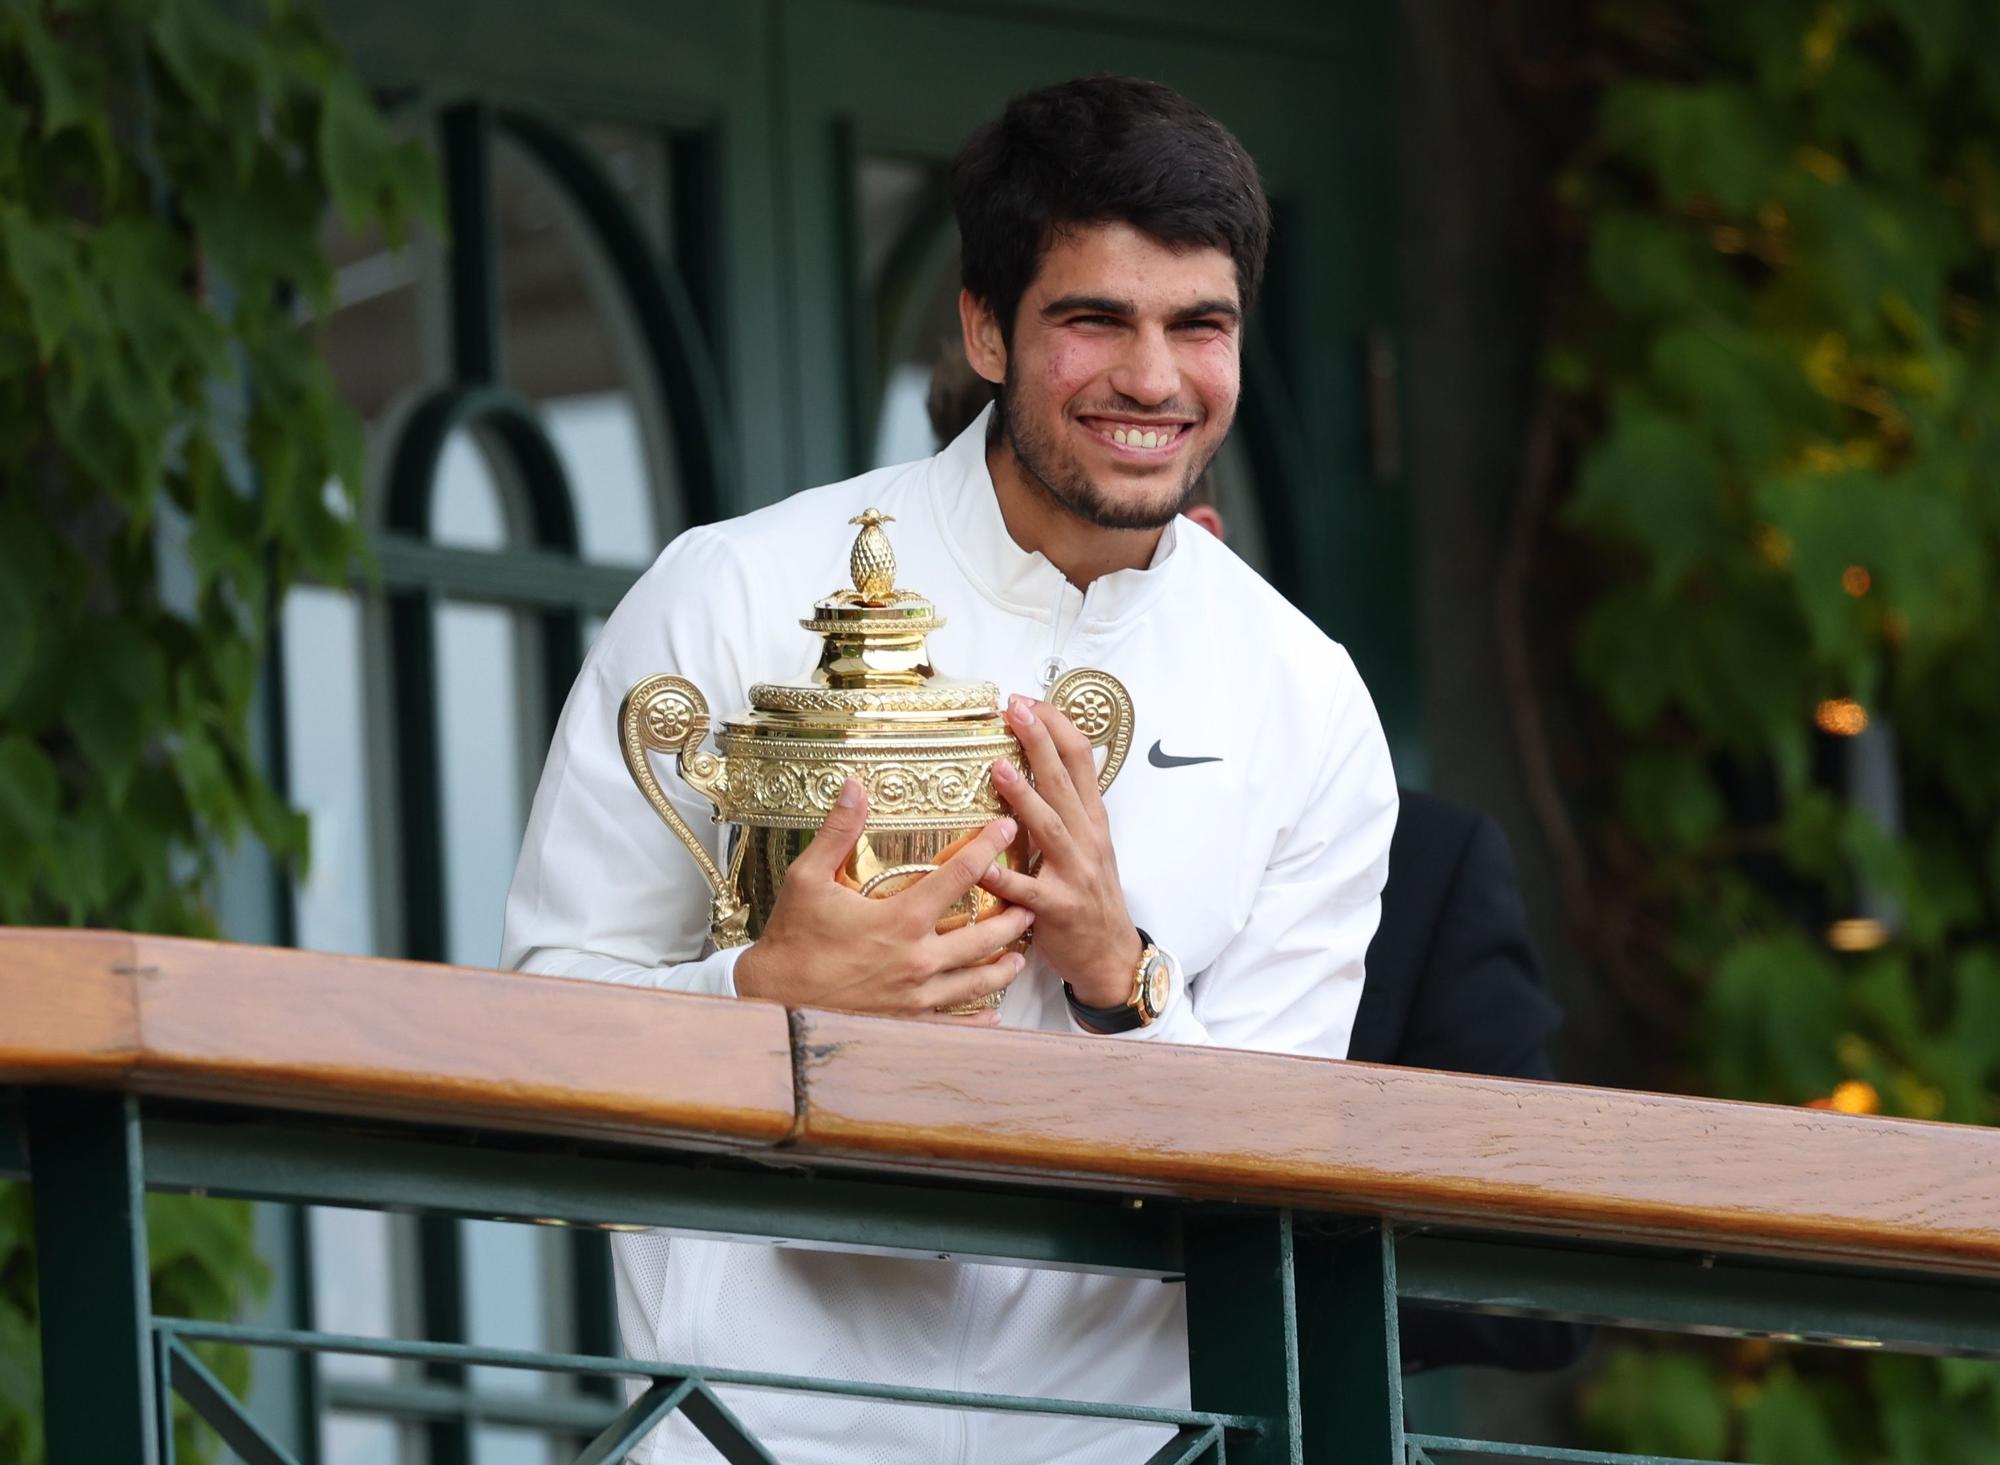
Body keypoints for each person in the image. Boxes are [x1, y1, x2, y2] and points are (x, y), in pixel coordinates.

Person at [502, 74, 1398, 1463]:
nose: (1153, 378)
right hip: (749, 1437)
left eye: (1197, 326)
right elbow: (534, 1035)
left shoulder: (1310, 701)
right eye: (1094, 319)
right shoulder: (734, 590)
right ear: (985, 327)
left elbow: (1282, 1167)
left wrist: (1122, 975)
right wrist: (759, 995)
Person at [929, 359, 1590, 1379]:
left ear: (1200, 559)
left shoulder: (1425, 864)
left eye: (1093, 582)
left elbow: (1534, 1285)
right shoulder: (864, 837)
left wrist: (1193, 1295)